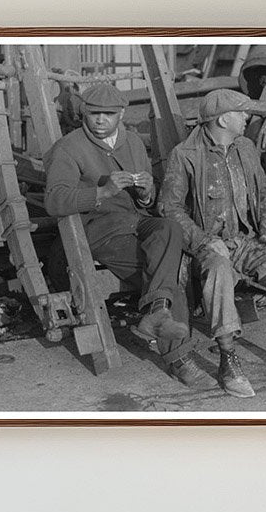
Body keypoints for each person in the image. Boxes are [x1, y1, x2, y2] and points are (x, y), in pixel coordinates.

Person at [159, 88, 266, 398]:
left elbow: (265, 193)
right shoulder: (184, 155)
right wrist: (205, 241)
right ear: (224, 119)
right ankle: (228, 360)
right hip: (206, 247)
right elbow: (169, 209)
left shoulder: (246, 147)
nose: (247, 117)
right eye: (242, 113)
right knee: (220, 270)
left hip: (247, 241)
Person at [44, 82, 207, 386]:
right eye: (94, 114)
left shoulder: (131, 141)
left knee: (168, 228)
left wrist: (147, 192)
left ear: (121, 113)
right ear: (84, 113)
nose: (100, 120)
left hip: (135, 220)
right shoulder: (69, 147)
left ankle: (157, 312)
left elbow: (148, 200)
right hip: (99, 230)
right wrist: (101, 191)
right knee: (170, 272)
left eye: (108, 114)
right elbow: (54, 200)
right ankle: (179, 359)